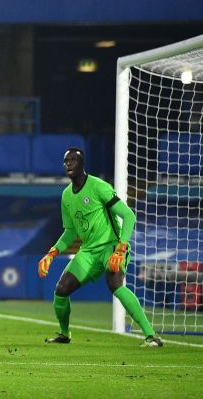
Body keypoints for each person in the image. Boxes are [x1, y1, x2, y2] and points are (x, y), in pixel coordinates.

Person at [37, 147, 163, 348]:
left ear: (82, 164)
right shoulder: (66, 196)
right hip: (88, 251)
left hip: (111, 247)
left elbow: (128, 216)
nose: (69, 163)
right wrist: (52, 253)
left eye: (73, 160)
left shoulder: (98, 187)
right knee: (61, 290)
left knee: (115, 285)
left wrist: (121, 248)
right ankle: (64, 333)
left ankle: (151, 336)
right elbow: (70, 232)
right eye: (66, 161)